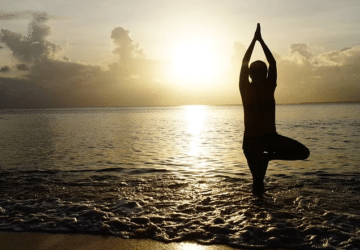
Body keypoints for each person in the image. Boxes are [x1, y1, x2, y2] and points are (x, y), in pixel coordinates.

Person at [239, 23, 310, 196]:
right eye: (256, 72)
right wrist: (256, 40)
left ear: (265, 74)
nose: (259, 74)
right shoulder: (245, 89)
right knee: (258, 182)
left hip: (270, 139)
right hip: (251, 142)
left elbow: (272, 62)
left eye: (261, 72)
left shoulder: (269, 86)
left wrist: (259, 40)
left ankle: (269, 157)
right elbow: (246, 62)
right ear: (251, 75)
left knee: (303, 152)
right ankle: (258, 214)